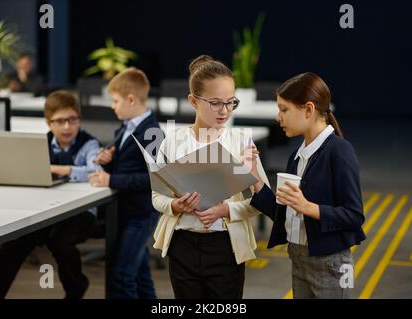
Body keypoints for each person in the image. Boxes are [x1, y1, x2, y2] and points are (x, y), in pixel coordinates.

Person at [151, 55, 270, 299]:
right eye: (215, 103)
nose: (224, 111)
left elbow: (263, 201)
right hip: (182, 244)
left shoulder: (240, 143)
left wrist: (226, 210)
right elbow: (156, 196)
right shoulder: (173, 142)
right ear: (193, 101)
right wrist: (174, 205)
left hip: (225, 245)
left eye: (230, 102)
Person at [248, 72, 366, 299]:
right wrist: (254, 177)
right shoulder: (297, 155)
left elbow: (354, 215)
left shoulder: (339, 151)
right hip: (298, 257)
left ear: (308, 110)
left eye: (284, 110)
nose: (278, 117)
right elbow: (281, 213)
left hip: (331, 263)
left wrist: (308, 207)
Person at [0, 90, 101, 299]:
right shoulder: (41, 144)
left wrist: (60, 169)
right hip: (47, 211)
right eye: (60, 121)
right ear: (49, 123)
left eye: (72, 120)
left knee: (60, 242)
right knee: (15, 242)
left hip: (81, 212)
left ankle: (76, 288)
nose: (67, 126)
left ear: (79, 120)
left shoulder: (89, 144)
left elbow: (95, 171)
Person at [88, 67, 160, 299]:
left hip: (140, 214)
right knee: (139, 275)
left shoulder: (152, 132)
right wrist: (107, 161)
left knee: (121, 275)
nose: (112, 106)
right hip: (125, 210)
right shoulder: (125, 127)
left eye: (115, 101)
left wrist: (111, 179)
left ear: (131, 99)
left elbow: (155, 178)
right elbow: (126, 164)